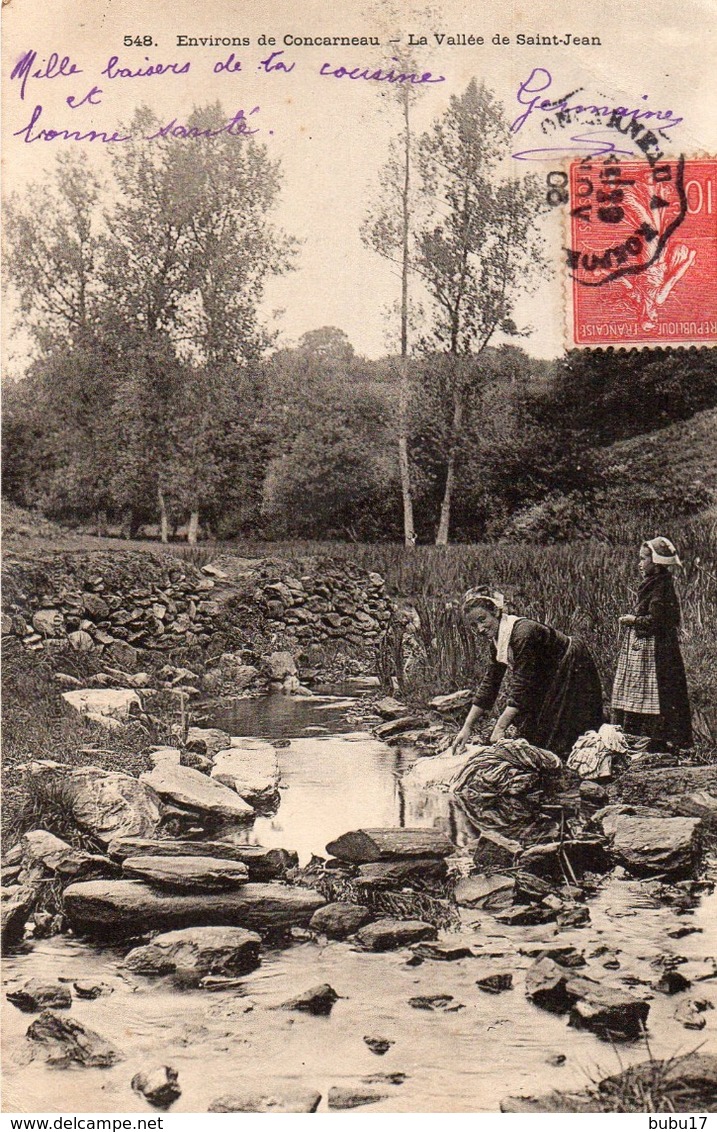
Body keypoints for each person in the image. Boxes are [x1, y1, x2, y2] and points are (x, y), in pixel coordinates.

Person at [451, 589, 603, 757]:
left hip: (572, 665)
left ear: (495, 612)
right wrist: (467, 727)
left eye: (482, 620)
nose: (479, 628)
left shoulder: (522, 633)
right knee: (537, 734)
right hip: (549, 672)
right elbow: (491, 683)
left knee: (566, 736)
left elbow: (522, 685)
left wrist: (500, 727)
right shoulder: (497, 641)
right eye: (473, 625)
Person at [611, 536, 692, 750]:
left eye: (643, 559)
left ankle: (661, 742)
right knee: (648, 693)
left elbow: (658, 621)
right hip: (653, 646)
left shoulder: (661, 587)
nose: (639, 564)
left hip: (658, 650)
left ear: (656, 563)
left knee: (658, 693)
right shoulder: (655, 584)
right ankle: (648, 740)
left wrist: (634, 621)